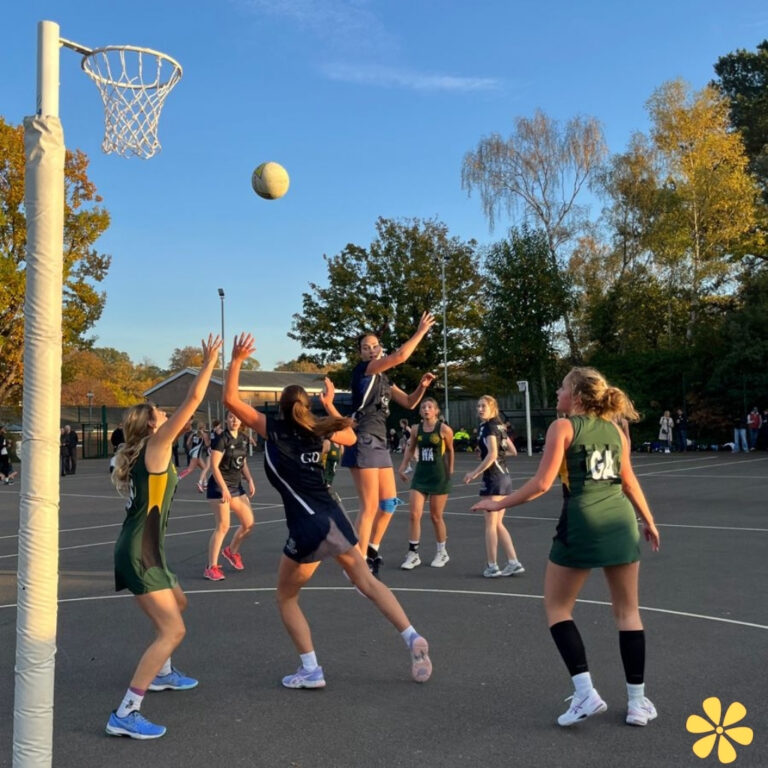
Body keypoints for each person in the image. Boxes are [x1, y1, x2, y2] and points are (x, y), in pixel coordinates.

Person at [223, 332, 432, 688]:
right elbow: (351, 437)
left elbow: (230, 399)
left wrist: (238, 359)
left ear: (281, 409)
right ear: (306, 407)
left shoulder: (274, 430)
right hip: (333, 516)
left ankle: (311, 669)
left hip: (306, 526)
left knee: (286, 597)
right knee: (365, 579)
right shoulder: (317, 430)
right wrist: (332, 409)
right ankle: (411, 636)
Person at [472, 367, 660, 728]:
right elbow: (629, 482)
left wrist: (499, 503)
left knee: (558, 607)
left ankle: (586, 691)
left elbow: (542, 483)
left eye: (561, 386)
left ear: (575, 394)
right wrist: (648, 521)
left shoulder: (563, 427)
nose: (557, 391)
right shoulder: (618, 432)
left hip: (582, 522)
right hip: (621, 523)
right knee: (628, 613)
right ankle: (637, 703)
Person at [106, 334, 222, 740]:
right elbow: (192, 401)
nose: (164, 413)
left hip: (147, 549)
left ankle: (164, 673)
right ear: (152, 424)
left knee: (179, 602)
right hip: (139, 550)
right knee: (173, 630)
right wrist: (208, 362)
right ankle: (126, 711)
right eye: (159, 411)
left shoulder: (148, 452)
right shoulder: (156, 447)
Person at [336, 312, 437, 577]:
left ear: (379, 348)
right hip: (365, 438)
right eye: (365, 348)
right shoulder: (364, 371)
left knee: (389, 503)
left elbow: (410, 403)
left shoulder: (384, 380)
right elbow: (400, 357)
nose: (371, 350)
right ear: (360, 354)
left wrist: (422, 386)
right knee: (369, 506)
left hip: (379, 440)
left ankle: (370, 549)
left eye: (374, 346)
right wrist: (420, 331)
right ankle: (355, 565)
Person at [463, 395, 524, 578]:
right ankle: (513, 561)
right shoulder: (499, 426)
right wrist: (492, 455)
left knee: (490, 524)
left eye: (484, 406)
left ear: (493, 408)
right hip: (504, 477)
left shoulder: (489, 426)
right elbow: (512, 451)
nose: (480, 409)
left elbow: (492, 454)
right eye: (478, 406)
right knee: (497, 523)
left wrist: (474, 473)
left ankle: (492, 566)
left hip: (494, 478)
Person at [397, 398, 454, 569]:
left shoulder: (444, 429)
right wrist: (402, 467)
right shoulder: (416, 429)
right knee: (414, 514)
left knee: (436, 516)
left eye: (430, 407)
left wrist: (450, 470)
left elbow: (450, 451)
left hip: (438, 476)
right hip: (421, 475)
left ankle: (442, 552)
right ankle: (413, 553)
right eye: (423, 407)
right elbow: (410, 449)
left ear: (436, 411)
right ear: (420, 411)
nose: (426, 409)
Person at [204, 412, 256, 581]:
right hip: (220, 487)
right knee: (223, 526)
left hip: (236, 486)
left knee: (249, 524)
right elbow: (214, 466)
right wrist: (224, 488)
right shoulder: (221, 439)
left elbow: (243, 462)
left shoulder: (241, 438)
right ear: (226, 420)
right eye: (231, 417)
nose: (235, 420)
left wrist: (249, 479)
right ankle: (211, 567)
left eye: (237, 417)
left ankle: (231, 551)